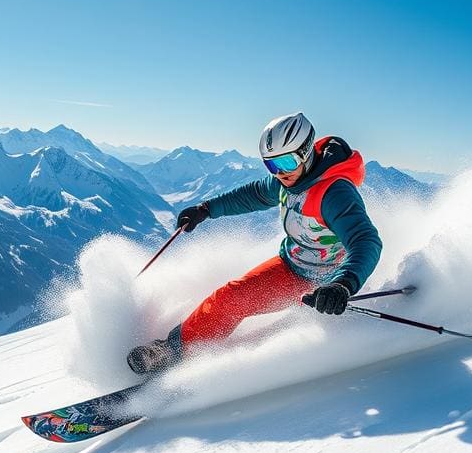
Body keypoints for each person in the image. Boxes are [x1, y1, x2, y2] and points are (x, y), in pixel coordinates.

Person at [127, 112, 383, 375]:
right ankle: (173, 350)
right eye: (272, 165)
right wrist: (206, 209)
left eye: (286, 161)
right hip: (291, 268)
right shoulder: (290, 181)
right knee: (230, 298)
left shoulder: (335, 193)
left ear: (306, 152)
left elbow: (366, 241)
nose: (280, 172)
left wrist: (342, 284)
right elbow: (254, 195)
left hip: (325, 285)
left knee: (286, 322)